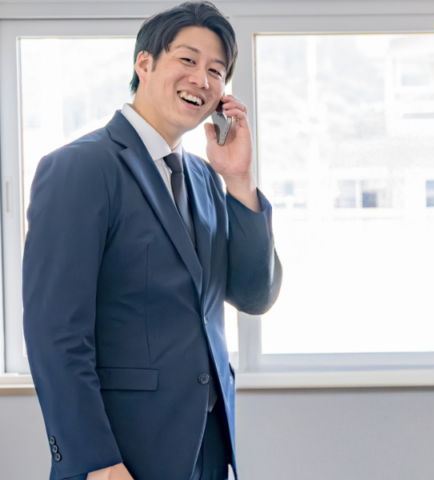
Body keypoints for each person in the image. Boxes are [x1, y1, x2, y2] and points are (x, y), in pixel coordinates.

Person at [22, 2, 282, 479]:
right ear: (144, 63)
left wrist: (240, 182)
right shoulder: (81, 168)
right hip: (121, 456)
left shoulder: (206, 178)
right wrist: (95, 460)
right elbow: (55, 333)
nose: (201, 79)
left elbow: (254, 294)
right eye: (187, 60)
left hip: (208, 450)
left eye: (216, 70)